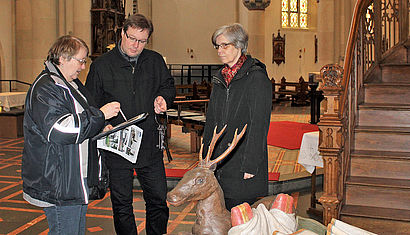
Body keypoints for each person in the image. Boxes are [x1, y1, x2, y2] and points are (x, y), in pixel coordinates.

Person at [85, 14, 175, 235]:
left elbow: (168, 86)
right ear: (122, 34)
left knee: (157, 199)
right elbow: (90, 103)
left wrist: (164, 98)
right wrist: (101, 125)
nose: (136, 45)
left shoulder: (154, 61)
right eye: (132, 38)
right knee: (122, 204)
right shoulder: (101, 65)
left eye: (142, 41)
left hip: (149, 143)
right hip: (117, 144)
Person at [22, 35, 121, 234]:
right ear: (63, 58)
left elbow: (81, 118)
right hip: (59, 180)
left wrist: (100, 127)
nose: (83, 67)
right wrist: (100, 115)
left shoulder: (70, 84)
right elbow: (60, 129)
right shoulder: (46, 87)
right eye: (81, 60)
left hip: (74, 177)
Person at [202, 23, 272, 211]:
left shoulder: (256, 77)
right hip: (219, 159)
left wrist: (250, 164)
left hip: (242, 160)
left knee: (241, 218)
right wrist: (205, 153)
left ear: (239, 45)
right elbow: (212, 118)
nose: (220, 50)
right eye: (217, 46)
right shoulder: (220, 77)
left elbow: (259, 124)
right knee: (221, 214)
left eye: (225, 45)